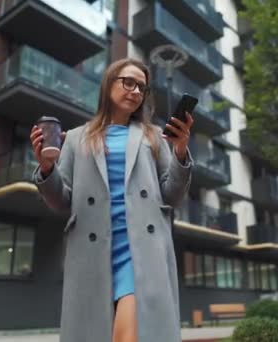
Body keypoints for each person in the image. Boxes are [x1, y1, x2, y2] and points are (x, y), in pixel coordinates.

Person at [30, 58, 194, 342]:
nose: (135, 91)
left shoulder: (153, 136)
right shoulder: (76, 138)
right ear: (108, 85)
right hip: (93, 252)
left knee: (128, 335)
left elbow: (172, 195)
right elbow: (62, 202)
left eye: (141, 87)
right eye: (127, 82)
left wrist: (180, 152)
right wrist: (46, 170)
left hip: (141, 250)